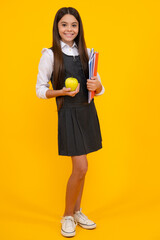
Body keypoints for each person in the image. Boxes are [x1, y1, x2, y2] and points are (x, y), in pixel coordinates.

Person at [36, 7, 105, 238]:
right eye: (64, 24)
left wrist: (98, 87)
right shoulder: (49, 55)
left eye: (73, 25)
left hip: (87, 113)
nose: (69, 29)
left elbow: (99, 87)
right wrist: (62, 92)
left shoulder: (88, 52)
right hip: (68, 114)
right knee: (81, 167)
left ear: (79, 27)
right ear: (57, 27)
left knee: (82, 171)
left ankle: (77, 211)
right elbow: (40, 90)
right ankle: (67, 215)